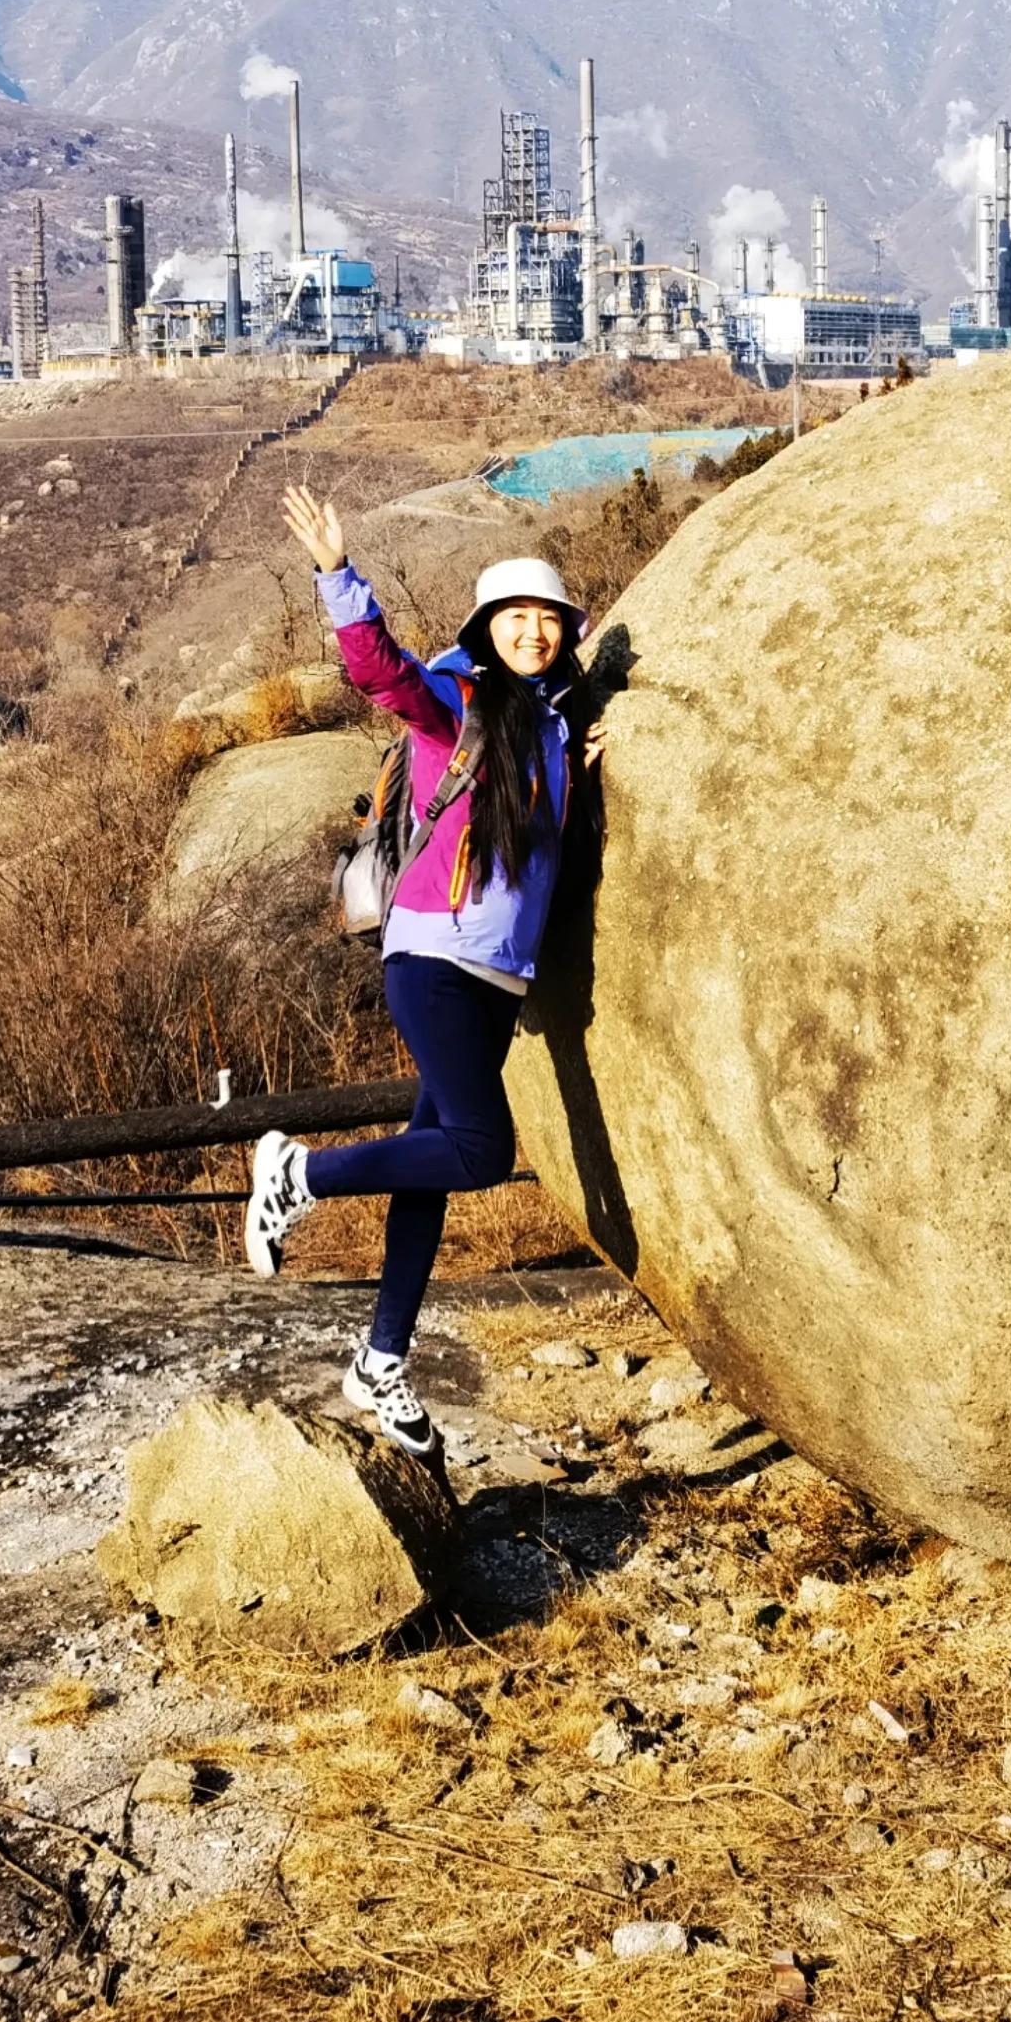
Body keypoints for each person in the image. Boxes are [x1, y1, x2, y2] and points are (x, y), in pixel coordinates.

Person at [245, 482, 596, 1459]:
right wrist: (336, 574)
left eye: (549, 621)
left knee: (432, 1167)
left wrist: (590, 750)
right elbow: (382, 674)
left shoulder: (551, 729)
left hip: (496, 980)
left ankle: (382, 1362)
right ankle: (297, 1172)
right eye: (517, 619)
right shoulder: (463, 698)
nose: (534, 632)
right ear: (489, 627)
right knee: (483, 1150)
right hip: (436, 955)